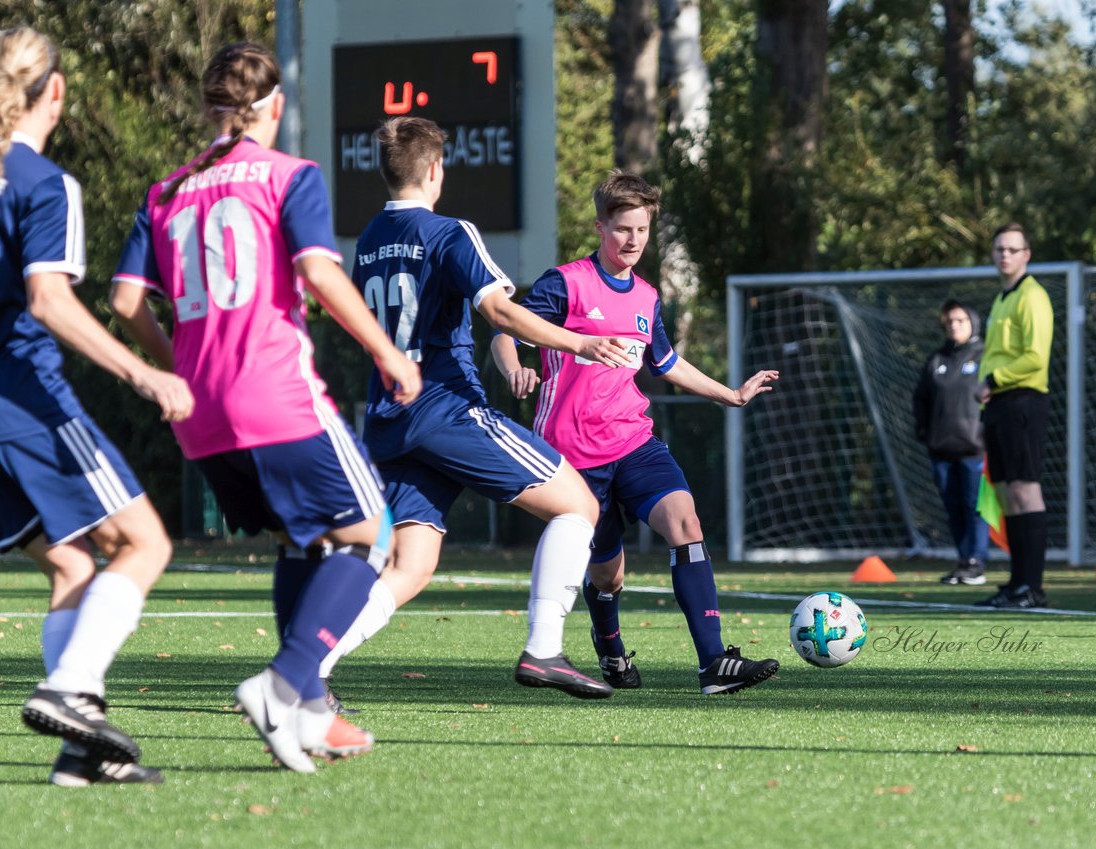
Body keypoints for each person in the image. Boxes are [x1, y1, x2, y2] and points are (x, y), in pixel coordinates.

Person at [109, 42, 421, 773]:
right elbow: (316, 270)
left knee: (301, 542)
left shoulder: (164, 191)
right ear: (274, 107)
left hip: (199, 412)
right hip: (274, 396)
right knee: (375, 540)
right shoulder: (291, 176)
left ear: (206, 111)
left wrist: (173, 366)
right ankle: (283, 686)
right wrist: (387, 350)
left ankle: (310, 713)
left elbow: (125, 300)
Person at [316, 116, 628, 701]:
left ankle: (309, 667)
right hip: (446, 407)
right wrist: (581, 342)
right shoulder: (450, 232)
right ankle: (543, 650)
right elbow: (501, 313)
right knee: (579, 505)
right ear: (435, 170)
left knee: (410, 566)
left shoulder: (367, 244)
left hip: (390, 419)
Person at [490, 170, 782, 695]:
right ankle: (610, 648)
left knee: (685, 523)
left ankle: (714, 664)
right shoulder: (568, 283)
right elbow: (506, 328)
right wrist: (514, 365)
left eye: (642, 231)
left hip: (633, 441)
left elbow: (666, 363)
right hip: (573, 457)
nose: (633, 241)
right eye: (623, 229)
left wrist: (732, 394)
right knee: (609, 577)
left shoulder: (647, 297)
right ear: (601, 227)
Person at [0, 27, 193, 786]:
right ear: (55, 92)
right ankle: (66, 692)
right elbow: (49, 300)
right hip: (21, 398)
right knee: (146, 544)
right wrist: (144, 374)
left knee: (74, 561)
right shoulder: (45, 183)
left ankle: (84, 752)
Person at [972, 222, 1053, 609]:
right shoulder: (1003, 297)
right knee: (1005, 494)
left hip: (1023, 400)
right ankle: (1015, 583)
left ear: (1027, 254)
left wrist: (993, 378)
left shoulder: (1032, 296)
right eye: (999, 249)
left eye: (1013, 249)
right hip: (999, 405)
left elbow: (1036, 357)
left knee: (1025, 490)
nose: (1005, 255)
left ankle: (1033, 588)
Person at [913, 299, 989, 584]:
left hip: (975, 447)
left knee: (975, 506)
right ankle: (963, 560)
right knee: (953, 506)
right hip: (941, 448)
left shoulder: (985, 356)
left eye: (961, 320)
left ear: (973, 323)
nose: (955, 326)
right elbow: (920, 398)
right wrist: (924, 431)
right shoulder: (937, 359)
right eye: (950, 321)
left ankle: (976, 560)